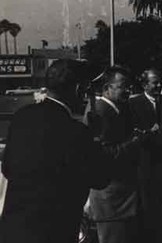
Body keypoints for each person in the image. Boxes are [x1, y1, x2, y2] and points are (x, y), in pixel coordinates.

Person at [0, 59, 109, 243]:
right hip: (55, 231)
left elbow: (8, 168)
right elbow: (100, 178)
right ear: (77, 89)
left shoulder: (21, 117)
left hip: (14, 229)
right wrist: (96, 138)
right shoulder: (76, 132)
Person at [85, 66, 148, 243]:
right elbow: (103, 153)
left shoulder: (118, 109)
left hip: (123, 197)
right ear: (107, 88)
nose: (127, 90)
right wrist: (135, 142)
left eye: (128, 86)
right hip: (111, 199)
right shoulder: (100, 112)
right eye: (122, 86)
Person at [129, 69, 162, 243]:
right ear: (145, 85)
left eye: (159, 82)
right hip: (144, 163)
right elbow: (133, 133)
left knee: (160, 204)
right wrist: (149, 133)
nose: (159, 86)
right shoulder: (134, 103)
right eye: (155, 83)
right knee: (146, 205)